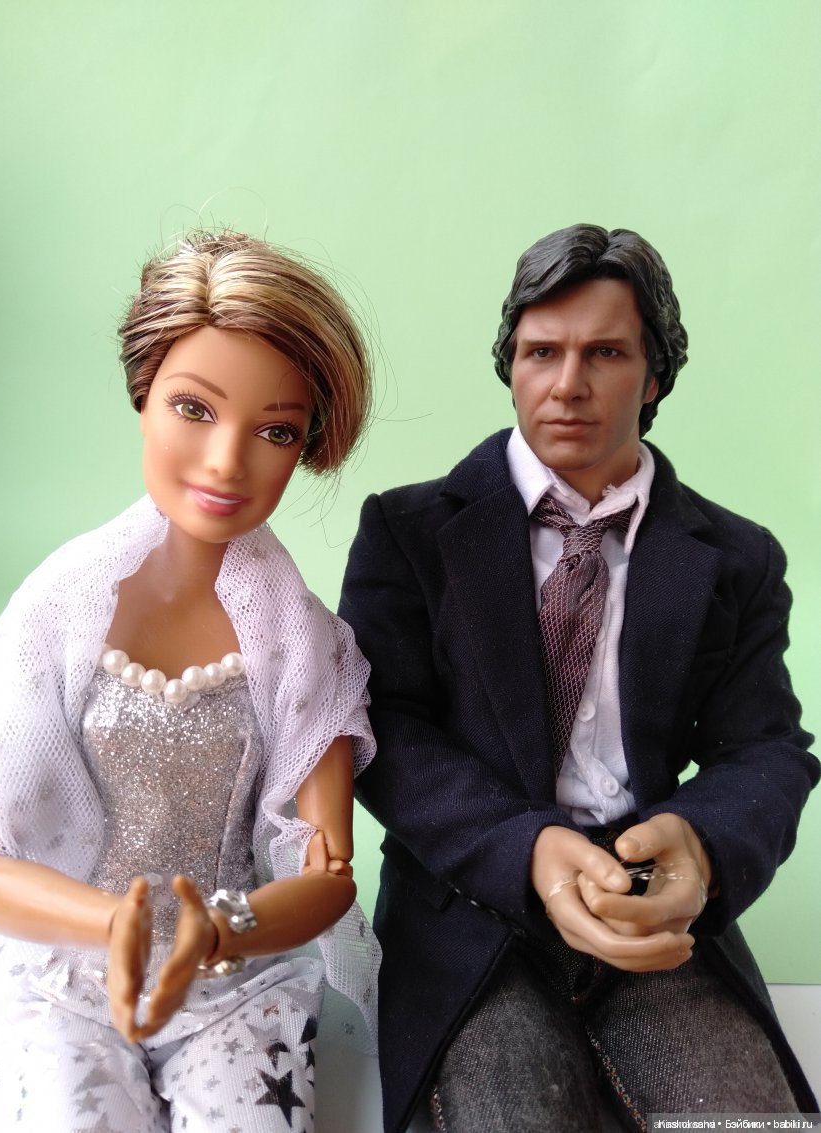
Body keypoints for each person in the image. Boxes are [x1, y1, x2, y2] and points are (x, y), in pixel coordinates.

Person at [338, 224, 819, 1133]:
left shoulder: (736, 556)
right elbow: (383, 730)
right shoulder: (409, 532)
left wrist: (699, 842)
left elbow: (764, 746)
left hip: (645, 906)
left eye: (605, 352)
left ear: (655, 373)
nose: (567, 384)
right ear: (510, 363)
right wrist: (524, 847)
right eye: (540, 352)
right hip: (473, 907)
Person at [0, 230, 378, 1132]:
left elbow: (329, 872)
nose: (228, 460)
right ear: (143, 397)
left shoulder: (305, 647)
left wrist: (223, 927)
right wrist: (109, 921)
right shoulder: (57, 614)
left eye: (275, 430)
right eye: (194, 408)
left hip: (233, 980)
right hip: (58, 970)